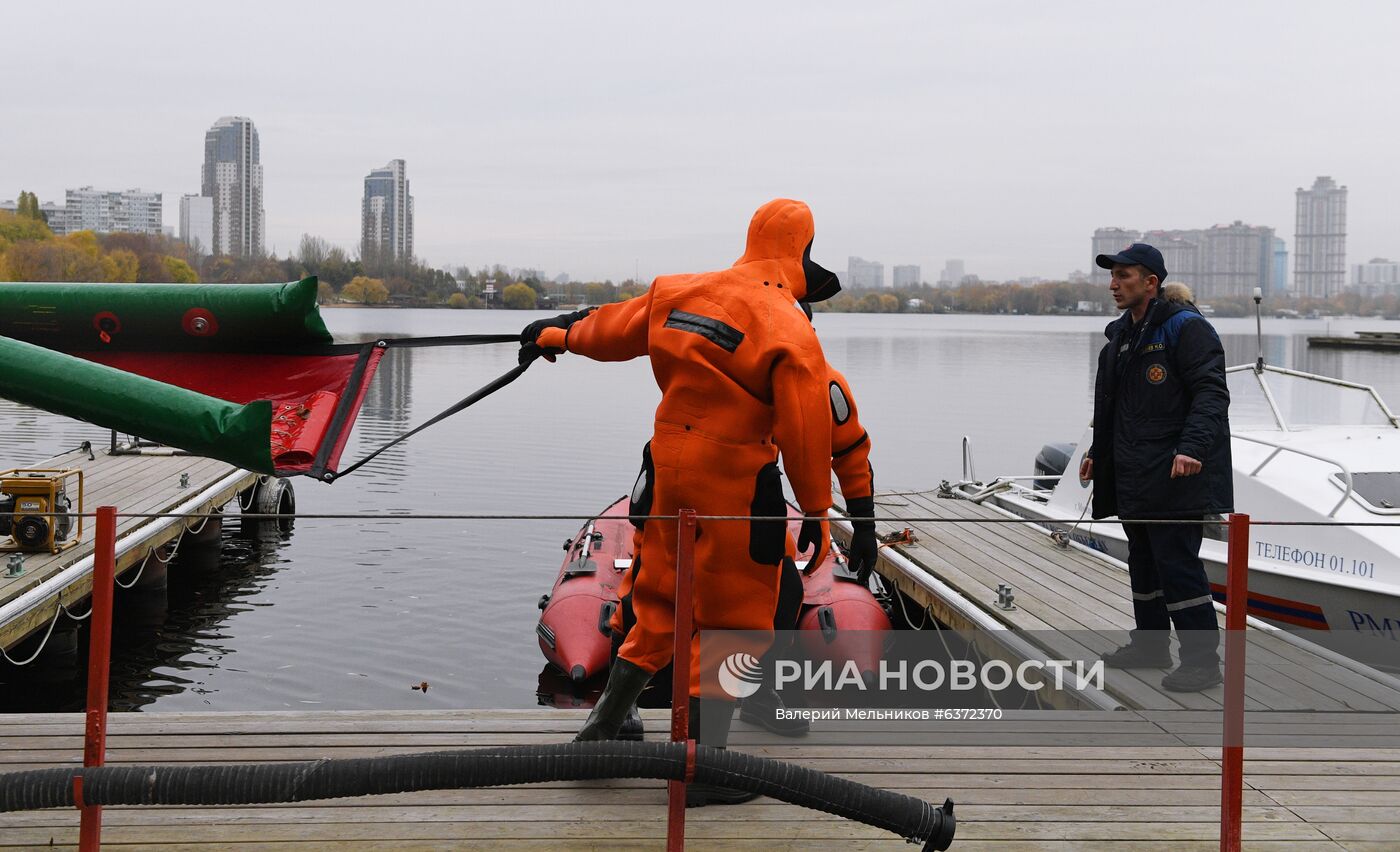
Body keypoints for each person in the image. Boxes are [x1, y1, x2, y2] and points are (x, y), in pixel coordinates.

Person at [520, 199, 842, 803]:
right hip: (735, 484)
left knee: (659, 600)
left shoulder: (680, 291)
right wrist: (817, 510)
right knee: (734, 623)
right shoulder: (788, 324)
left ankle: (600, 735)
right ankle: (701, 770)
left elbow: (613, 331)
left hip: (668, 470)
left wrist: (556, 334)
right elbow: (805, 429)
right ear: (802, 251)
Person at [1078, 243, 1232, 693]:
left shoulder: (1186, 329)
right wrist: (1096, 453)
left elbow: (1212, 394)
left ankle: (1203, 661)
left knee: (1178, 565)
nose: (1113, 284)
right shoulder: (1120, 337)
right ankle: (1149, 645)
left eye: (1123, 276)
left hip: (1175, 474)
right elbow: (1112, 408)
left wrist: (1192, 448)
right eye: (1111, 276)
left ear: (1151, 283)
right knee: (1142, 562)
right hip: (1133, 474)